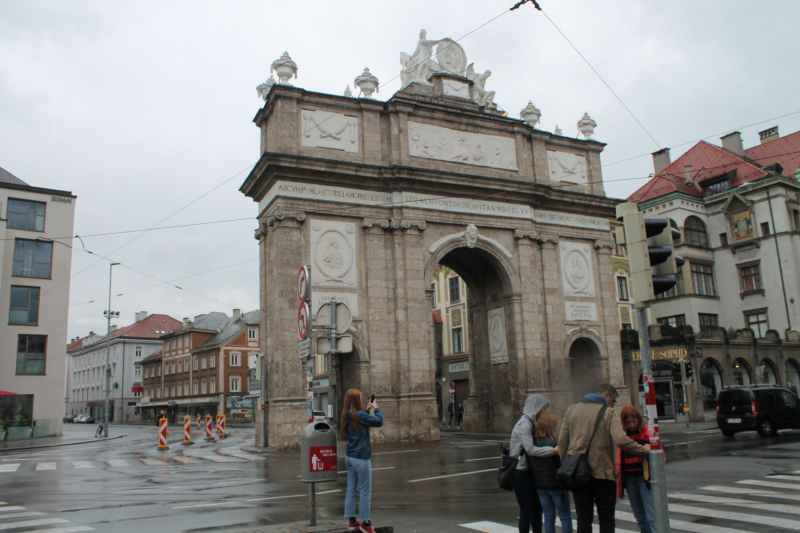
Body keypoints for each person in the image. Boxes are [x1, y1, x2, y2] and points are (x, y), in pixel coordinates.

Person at [558, 384, 650, 533]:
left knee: (583, 518)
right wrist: (643, 450)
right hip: (603, 474)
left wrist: (566, 464)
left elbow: (562, 442)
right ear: (607, 395)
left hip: (579, 473)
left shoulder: (571, 410)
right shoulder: (609, 412)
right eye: (613, 400)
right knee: (606, 518)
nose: (613, 404)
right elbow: (620, 440)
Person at [510, 394, 557, 533]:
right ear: (536, 408)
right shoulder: (524, 425)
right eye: (544, 408)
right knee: (527, 510)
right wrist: (553, 451)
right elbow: (530, 450)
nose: (545, 411)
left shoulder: (532, 423)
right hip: (520, 472)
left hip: (530, 471)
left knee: (537, 509)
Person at [341, 390, 383, 533]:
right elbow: (379, 422)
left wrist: (366, 410)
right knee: (365, 491)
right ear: (356, 401)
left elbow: (358, 418)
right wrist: (376, 408)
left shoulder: (347, 415)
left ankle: (352, 521)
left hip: (350, 458)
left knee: (351, 490)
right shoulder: (361, 416)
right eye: (359, 398)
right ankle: (365, 522)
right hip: (361, 458)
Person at [617, 406, 659, 533]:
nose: (631, 425)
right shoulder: (624, 435)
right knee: (640, 517)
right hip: (630, 478)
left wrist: (650, 448)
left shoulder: (647, 431)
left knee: (651, 516)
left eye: (634, 421)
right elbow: (620, 461)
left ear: (639, 419)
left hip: (644, 478)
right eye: (628, 422)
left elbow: (659, 454)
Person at [529, 412, 572, 533]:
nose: (558, 427)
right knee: (565, 518)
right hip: (557, 485)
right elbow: (562, 464)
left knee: (548, 518)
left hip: (541, 486)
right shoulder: (555, 444)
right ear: (551, 426)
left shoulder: (534, 443)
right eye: (556, 425)